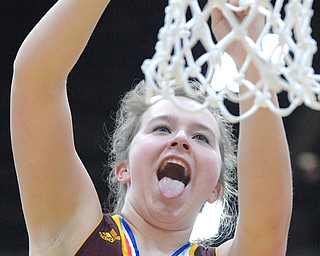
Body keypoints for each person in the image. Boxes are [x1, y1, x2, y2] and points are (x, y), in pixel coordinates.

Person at [10, 0, 292, 255]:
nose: (181, 139)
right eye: (161, 129)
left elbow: (268, 227)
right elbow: (36, 81)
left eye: (201, 137)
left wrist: (248, 57)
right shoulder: (73, 232)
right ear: (124, 168)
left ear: (215, 189)